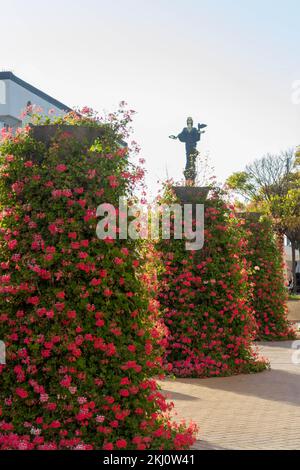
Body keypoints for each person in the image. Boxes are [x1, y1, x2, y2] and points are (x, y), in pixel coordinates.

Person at [169, 117, 207, 186]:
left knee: (192, 156)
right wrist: (175, 137)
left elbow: (197, 135)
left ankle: (192, 167)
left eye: (190, 120)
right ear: (187, 121)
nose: (189, 121)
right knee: (188, 157)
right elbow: (180, 134)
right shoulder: (185, 129)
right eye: (188, 120)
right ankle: (188, 168)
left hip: (193, 144)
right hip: (187, 145)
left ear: (192, 121)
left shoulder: (194, 129)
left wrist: (200, 131)